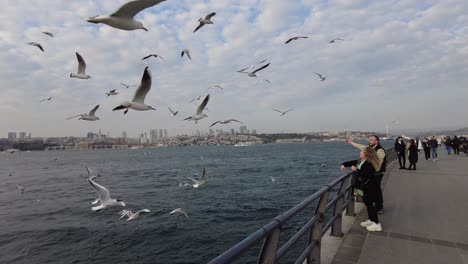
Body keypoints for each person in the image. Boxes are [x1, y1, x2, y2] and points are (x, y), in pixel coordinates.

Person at [341, 147, 382, 232]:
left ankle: (377, 224)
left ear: (366, 154)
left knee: (370, 204)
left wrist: (356, 170)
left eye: (362, 152)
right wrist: (344, 164)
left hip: (368, 187)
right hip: (362, 187)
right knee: (367, 204)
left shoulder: (369, 163)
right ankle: (371, 220)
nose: (360, 152)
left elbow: (367, 175)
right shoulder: (361, 161)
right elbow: (352, 162)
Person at [346, 135, 386, 214]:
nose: (369, 141)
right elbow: (361, 146)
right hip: (371, 173)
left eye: (371, 140)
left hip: (377, 173)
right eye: (369, 140)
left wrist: (360, 168)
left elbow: (377, 163)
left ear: (376, 141)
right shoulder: (369, 148)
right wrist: (351, 142)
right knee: (372, 190)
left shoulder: (380, 150)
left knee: (376, 189)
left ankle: (379, 207)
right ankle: (373, 205)